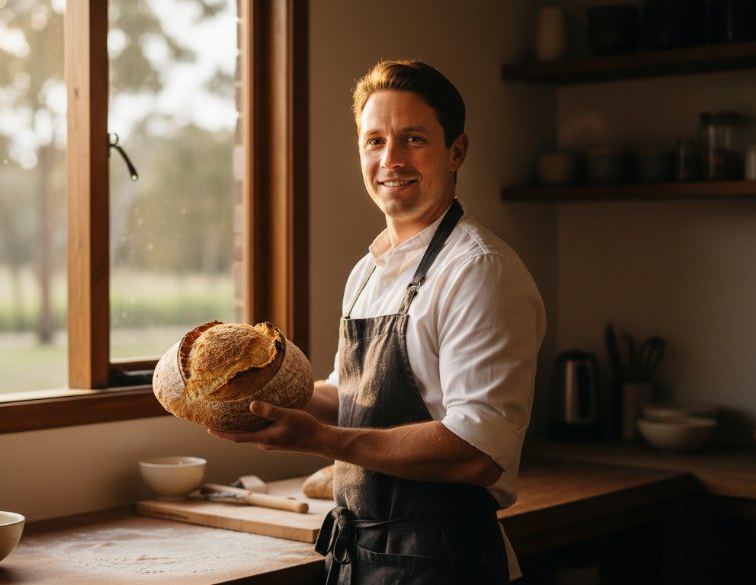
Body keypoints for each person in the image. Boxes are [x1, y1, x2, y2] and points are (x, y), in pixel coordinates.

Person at [210, 59, 546, 584]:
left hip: (445, 564)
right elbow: (352, 395)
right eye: (375, 141)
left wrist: (320, 440)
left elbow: (479, 451)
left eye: (413, 139)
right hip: (361, 561)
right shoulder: (368, 271)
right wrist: (262, 397)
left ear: (456, 151)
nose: (390, 159)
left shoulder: (479, 271)